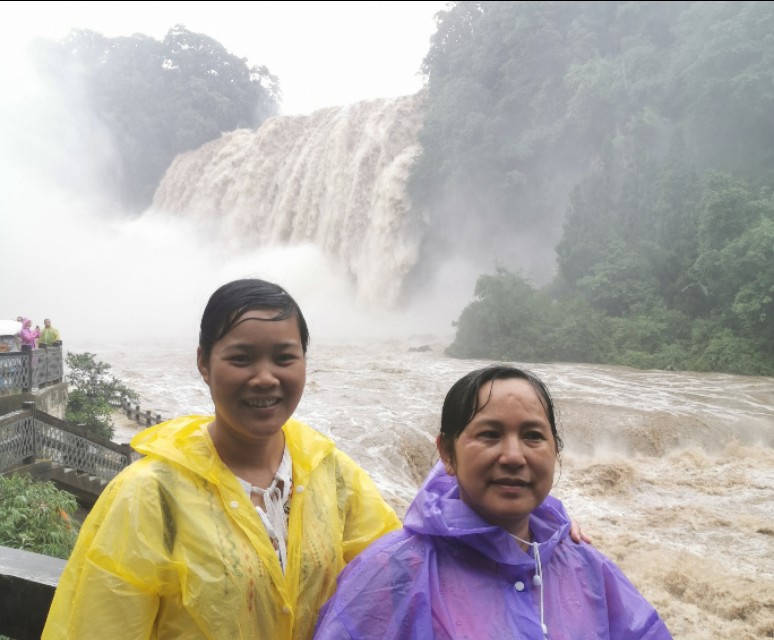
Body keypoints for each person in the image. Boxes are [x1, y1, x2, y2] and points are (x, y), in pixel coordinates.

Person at [41, 278, 402, 640]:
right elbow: (102, 624)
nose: (265, 378)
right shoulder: (151, 494)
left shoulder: (332, 472)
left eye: (284, 358)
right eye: (241, 359)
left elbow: (397, 572)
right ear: (204, 363)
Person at [313, 365, 672, 639]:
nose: (514, 456)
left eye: (533, 436)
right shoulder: (391, 572)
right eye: (489, 434)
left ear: (555, 452)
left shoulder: (587, 566)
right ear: (447, 453)